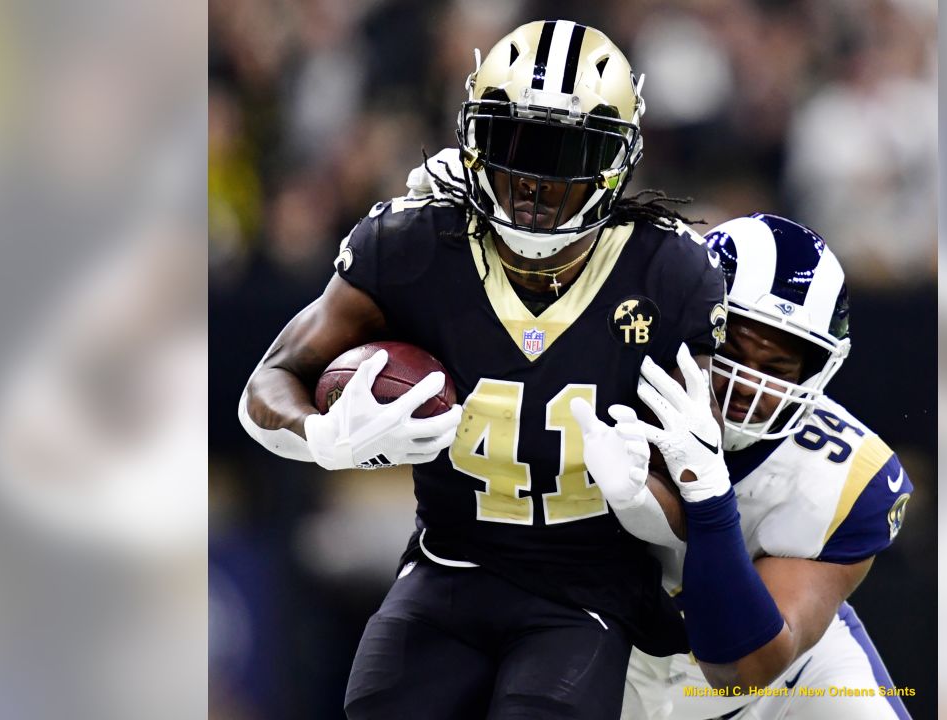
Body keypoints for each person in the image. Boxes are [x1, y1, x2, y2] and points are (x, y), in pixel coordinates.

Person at [236, 20, 727, 719]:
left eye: (562, 152)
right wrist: (323, 436)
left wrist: (645, 500)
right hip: (449, 565)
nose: (530, 181)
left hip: (589, 589)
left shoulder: (669, 272)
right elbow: (268, 382)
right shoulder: (413, 242)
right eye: (511, 143)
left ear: (618, 159)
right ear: (469, 134)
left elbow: (705, 499)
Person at [574, 213, 914, 719]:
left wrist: (708, 495)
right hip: (605, 660)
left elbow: (745, 667)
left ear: (816, 371)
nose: (748, 384)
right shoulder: (601, 387)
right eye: (730, 351)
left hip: (778, 685)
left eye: (776, 369)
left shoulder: (847, 477)